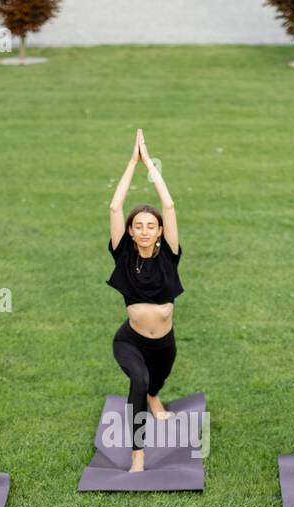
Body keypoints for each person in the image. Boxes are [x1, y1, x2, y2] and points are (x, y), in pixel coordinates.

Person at [107, 128, 183, 472]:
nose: (144, 230)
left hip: (164, 345)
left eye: (151, 225)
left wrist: (150, 164)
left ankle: (155, 396)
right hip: (131, 341)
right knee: (137, 380)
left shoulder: (169, 255)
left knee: (155, 381)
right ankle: (138, 454)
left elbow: (168, 204)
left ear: (160, 231)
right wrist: (131, 162)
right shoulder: (123, 255)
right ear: (131, 230)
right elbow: (114, 205)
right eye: (138, 225)